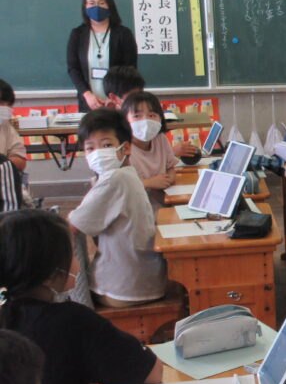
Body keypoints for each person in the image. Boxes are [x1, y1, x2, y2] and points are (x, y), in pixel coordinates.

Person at [0, 209, 161, 384]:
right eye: (72, 254)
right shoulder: (71, 321)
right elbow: (150, 372)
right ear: (52, 271)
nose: (77, 262)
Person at [69, 108, 167, 307]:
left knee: (64, 297)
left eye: (106, 145)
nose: (98, 153)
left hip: (124, 289)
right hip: (143, 280)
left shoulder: (114, 179)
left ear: (126, 148)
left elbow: (73, 225)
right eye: (90, 148)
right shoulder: (127, 173)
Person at [101, 65, 199, 160]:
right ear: (114, 98)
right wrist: (171, 152)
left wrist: (168, 153)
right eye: (137, 115)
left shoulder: (155, 133)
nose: (138, 99)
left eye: (141, 92)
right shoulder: (110, 129)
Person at [66, 0, 137, 112]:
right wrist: (87, 95)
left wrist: (115, 97)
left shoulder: (123, 34)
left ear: (109, 5)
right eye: (91, 3)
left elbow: (130, 69)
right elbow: (73, 69)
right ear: (85, 7)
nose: (96, 7)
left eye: (101, 3)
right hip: (89, 103)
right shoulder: (77, 34)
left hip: (117, 103)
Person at [122, 91, 177, 211]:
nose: (145, 121)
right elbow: (120, 187)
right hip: (136, 209)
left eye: (152, 115)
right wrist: (148, 183)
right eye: (137, 116)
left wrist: (170, 178)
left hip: (164, 201)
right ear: (125, 119)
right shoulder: (122, 149)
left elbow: (170, 167)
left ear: (160, 118)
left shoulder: (160, 138)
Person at [0, 78, 27, 172]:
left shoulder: (5, 126)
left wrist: (5, 165)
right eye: (1, 103)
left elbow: (20, 159)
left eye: (8, 105)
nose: (4, 108)